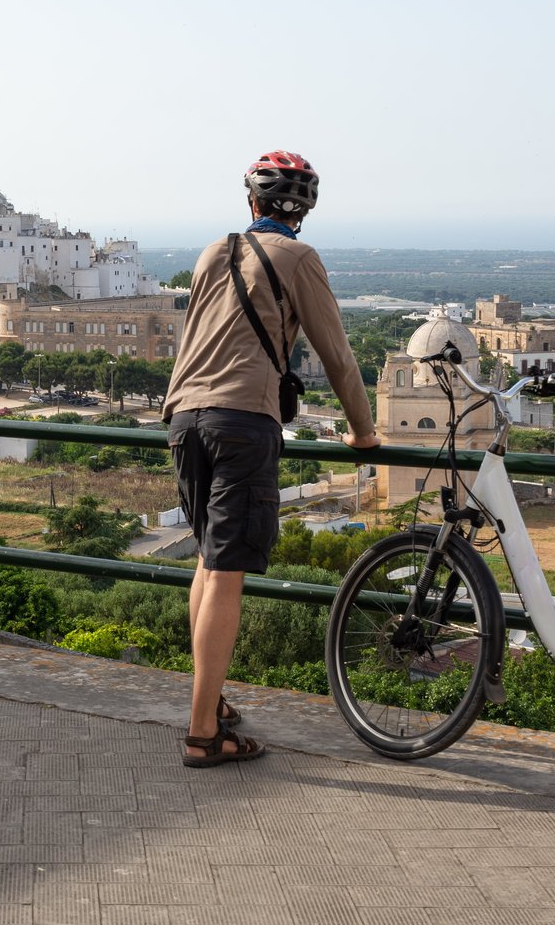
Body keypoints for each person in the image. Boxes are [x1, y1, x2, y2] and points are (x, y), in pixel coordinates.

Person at [163, 150, 380, 767]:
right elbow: (336, 354)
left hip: (186, 417)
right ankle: (204, 733)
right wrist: (363, 433)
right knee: (227, 569)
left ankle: (211, 696)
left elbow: (193, 341)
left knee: (207, 559)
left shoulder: (212, 252)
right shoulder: (298, 257)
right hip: (241, 420)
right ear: (304, 208)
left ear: (251, 201)